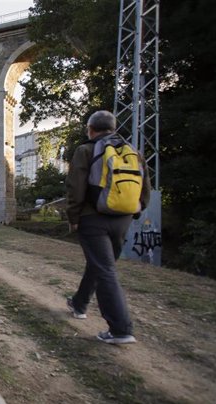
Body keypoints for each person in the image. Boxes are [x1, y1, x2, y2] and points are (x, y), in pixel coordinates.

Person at [65, 110, 151, 345]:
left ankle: (121, 329)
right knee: (101, 264)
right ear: (113, 129)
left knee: (104, 269)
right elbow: (145, 186)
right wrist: (137, 209)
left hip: (93, 218)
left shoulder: (85, 150)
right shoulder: (132, 151)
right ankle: (79, 304)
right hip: (123, 217)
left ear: (90, 129)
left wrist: (73, 217)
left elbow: (76, 188)